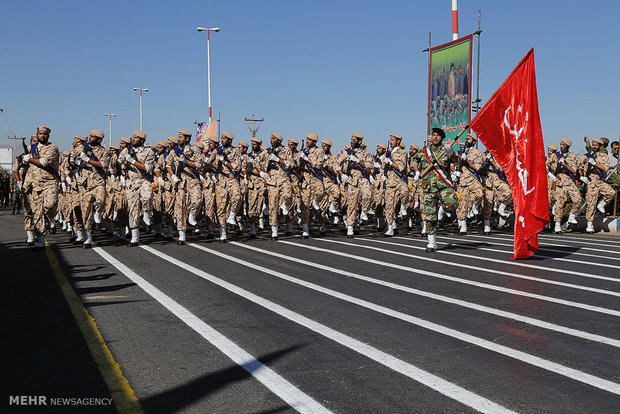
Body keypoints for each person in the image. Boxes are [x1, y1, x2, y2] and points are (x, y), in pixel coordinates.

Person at [410, 127, 459, 252]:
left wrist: (451, 154)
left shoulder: (446, 149)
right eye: (433, 135)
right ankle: (431, 242)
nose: (435, 137)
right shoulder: (425, 150)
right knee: (430, 215)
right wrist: (416, 171)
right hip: (428, 187)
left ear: (442, 138)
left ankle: (442, 209)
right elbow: (414, 159)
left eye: (437, 135)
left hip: (443, 185)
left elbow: (457, 161)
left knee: (452, 204)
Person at [21, 126, 60, 248]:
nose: (42, 136)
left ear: (48, 135)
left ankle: (51, 217)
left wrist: (29, 159)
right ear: (37, 134)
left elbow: (43, 162)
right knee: (38, 212)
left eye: (45, 134)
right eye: (40, 133)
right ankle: (41, 240)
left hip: (49, 183)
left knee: (50, 205)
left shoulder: (53, 148)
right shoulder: (31, 148)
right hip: (34, 185)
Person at [118, 130, 155, 246]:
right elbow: (118, 162)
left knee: (148, 196)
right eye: (133, 137)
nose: (133, 139)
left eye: (136, 138)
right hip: (131, 183)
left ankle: (148, 212)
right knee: (133, 209)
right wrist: (121, 171)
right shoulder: (126, 150)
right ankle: (135, 238)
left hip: (144, 180)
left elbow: (147, 168)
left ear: (142, 140)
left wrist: (132, 161)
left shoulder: (149, 152)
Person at [76, 129, 111, 247]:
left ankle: (98, 212)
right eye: (90, 136)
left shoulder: (105, 152)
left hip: (98, 181)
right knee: (86, 211)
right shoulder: (82, 148)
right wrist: (76, 161)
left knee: (101, 200)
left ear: (99, 140)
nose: (90, 138)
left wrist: (87, 160)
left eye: (93, 137)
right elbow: (71, 160)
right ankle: (88, 238)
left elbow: (103, 164)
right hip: (85, 184)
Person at [581, 137, 616, 233]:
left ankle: (601, 205)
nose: (594, 147)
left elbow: (605, 168)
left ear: (601, 146)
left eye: (596, 145)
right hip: (591, 181)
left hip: (599, 180)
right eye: (593, 145)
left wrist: (595, 164)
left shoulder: (604, 156)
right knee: (591, 203)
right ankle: (589, 225)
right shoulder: (589, 155)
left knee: (611, 193)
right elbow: (580, 164)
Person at [455, 133, 484, 236]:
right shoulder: (460, 152)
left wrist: (467, 162)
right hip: (462, 181)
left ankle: (475, 207)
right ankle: (463, 227)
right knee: (461, 204)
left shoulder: (477, 153)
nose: (467, 140)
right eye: (466, 138)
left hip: (473, 179)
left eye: (469, 139)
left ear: (474, 141)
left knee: (479, 195)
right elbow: (453, 164)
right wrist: (455, 172)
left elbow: (478, 168)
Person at [299, 132, 326, 238]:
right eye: (307, 139)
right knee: (305, 205)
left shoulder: (319, 151)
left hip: (315, 178)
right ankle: (305, 229)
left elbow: (318, 165)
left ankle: (315, 202)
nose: (307, 141)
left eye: (309, 140)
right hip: (306, 179)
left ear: (314, 142)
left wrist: (306, 159)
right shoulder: (304, 151)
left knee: (321, 193)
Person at [551, 138, 581, 234]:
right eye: (561, 144)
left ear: (568, 147)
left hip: (568, 180)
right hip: (558, 180)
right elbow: (547, 165)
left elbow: (574, 171)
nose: (562, 146)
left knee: (578, 199)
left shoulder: (572, 157)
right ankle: (557, 225)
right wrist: (552, 171)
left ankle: (572, 216)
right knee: (559, 203)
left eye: (564, 145)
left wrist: (566, 164)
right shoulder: (555, 156)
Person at [381, 133, 408, 237]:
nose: (391, 141)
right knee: (389, 206)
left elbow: (401, 167)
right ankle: (390, 228)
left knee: (405, 193)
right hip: (390, 183)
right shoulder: (387, 153)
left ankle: (403, 207)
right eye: (390, 140)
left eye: (393, 140)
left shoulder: (402, 153)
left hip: (400, 180)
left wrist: (391, 163)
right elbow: (383, 166)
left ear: (398, 141)